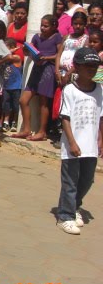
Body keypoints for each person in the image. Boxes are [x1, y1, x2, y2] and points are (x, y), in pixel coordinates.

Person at [55, 47, 103, 235]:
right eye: (87, 66)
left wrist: (100, 139)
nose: (91, 70)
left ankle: (75, 206)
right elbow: (65, 118)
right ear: (76, 67)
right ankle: (65, 216)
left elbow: (100, 117)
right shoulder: (70, 90)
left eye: (94, 66)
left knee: (87, 180)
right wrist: (72, 143)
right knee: (70, 182)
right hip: (72, 146)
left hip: (90, 147)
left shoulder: (99, 90)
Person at [12, 15, 61, 141]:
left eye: (46, 26)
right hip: (37, 69)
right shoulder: (36, 37)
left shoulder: (57, 37)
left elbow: (59, 54)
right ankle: (27, 129)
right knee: (23, 100)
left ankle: (42, 131)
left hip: (48, 71)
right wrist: (27, 50)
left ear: (54, 26)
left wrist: (46, 58)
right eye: (42, 25)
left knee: (44, 102)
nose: (43, 28)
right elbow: (29, 51)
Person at [55, 12, 89, 87]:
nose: (78, 26)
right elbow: (59, 55)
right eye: (75, 23)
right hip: (61, 72)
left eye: (81, 24)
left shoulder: (86, 40)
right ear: (71, 23)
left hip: (74, 74)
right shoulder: (66, 37)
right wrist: (57, 70)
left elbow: (81, 59)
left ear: (85, 25)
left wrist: (68, 73)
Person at [1, 38, 23, 131]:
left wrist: (9, 51)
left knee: (15, 105)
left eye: (5, 48)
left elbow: (9, 57)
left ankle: (14, 121)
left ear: (13, 48)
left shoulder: (16, 58)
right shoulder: (4, 58)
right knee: (6, 104)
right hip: (6, 86)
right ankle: (6, 122)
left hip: (16, 86)